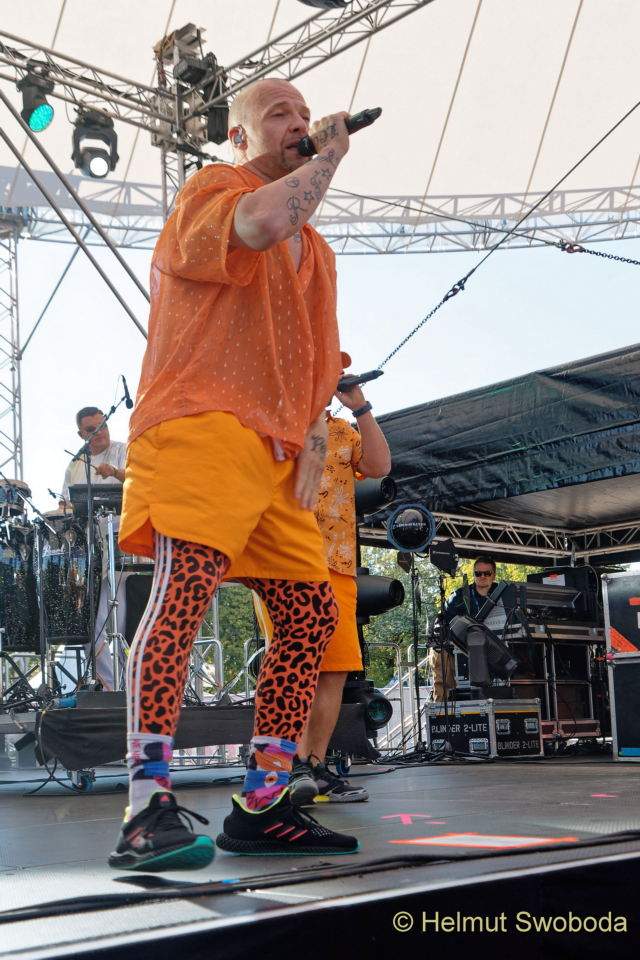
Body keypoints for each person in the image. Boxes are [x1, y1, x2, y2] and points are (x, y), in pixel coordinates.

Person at [110, 78, 360, 871]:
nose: (298, 122)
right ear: (239, 135)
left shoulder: (317, 253)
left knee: (310, 615)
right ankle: (145, 805)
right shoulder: (215, 187)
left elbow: (317, 363)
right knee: (185, 589)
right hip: (202, 421)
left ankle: (262, 801)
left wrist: (310, 449)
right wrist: (328, 156)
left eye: (303, 113)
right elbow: (259, 222)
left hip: (277, 451)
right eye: (278, 114)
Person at [255, 354, 391, 804]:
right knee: (295, 666)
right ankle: (284, 767)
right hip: (286, 563)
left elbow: (380, 466)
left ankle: (313, 768)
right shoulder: (276, 422)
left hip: (338, 566)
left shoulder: (343, 431)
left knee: (333, 672)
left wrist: (360, 405)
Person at [59, 407, 127, 690]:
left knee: (122, 623)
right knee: (91, 623)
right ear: (81, 435)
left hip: (123, 547)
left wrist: (115, 472)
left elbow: (144, 482)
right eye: (92, 430)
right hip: (90, 552)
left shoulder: (123, 450)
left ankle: (130, 685)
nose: (100, 434)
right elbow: (65, 505)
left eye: (103, 426)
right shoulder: (75, 464)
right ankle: (109, 686)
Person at [430, 558, 500, 701]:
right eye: (478, 573)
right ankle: (442, 705)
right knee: (439, 651)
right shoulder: (458, 597)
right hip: (461, 647)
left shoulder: (503, 593)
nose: (482, 577)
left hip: (496, 644)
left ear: (494, 575)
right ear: (473, 574)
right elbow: (443, 621)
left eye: (487, 573)